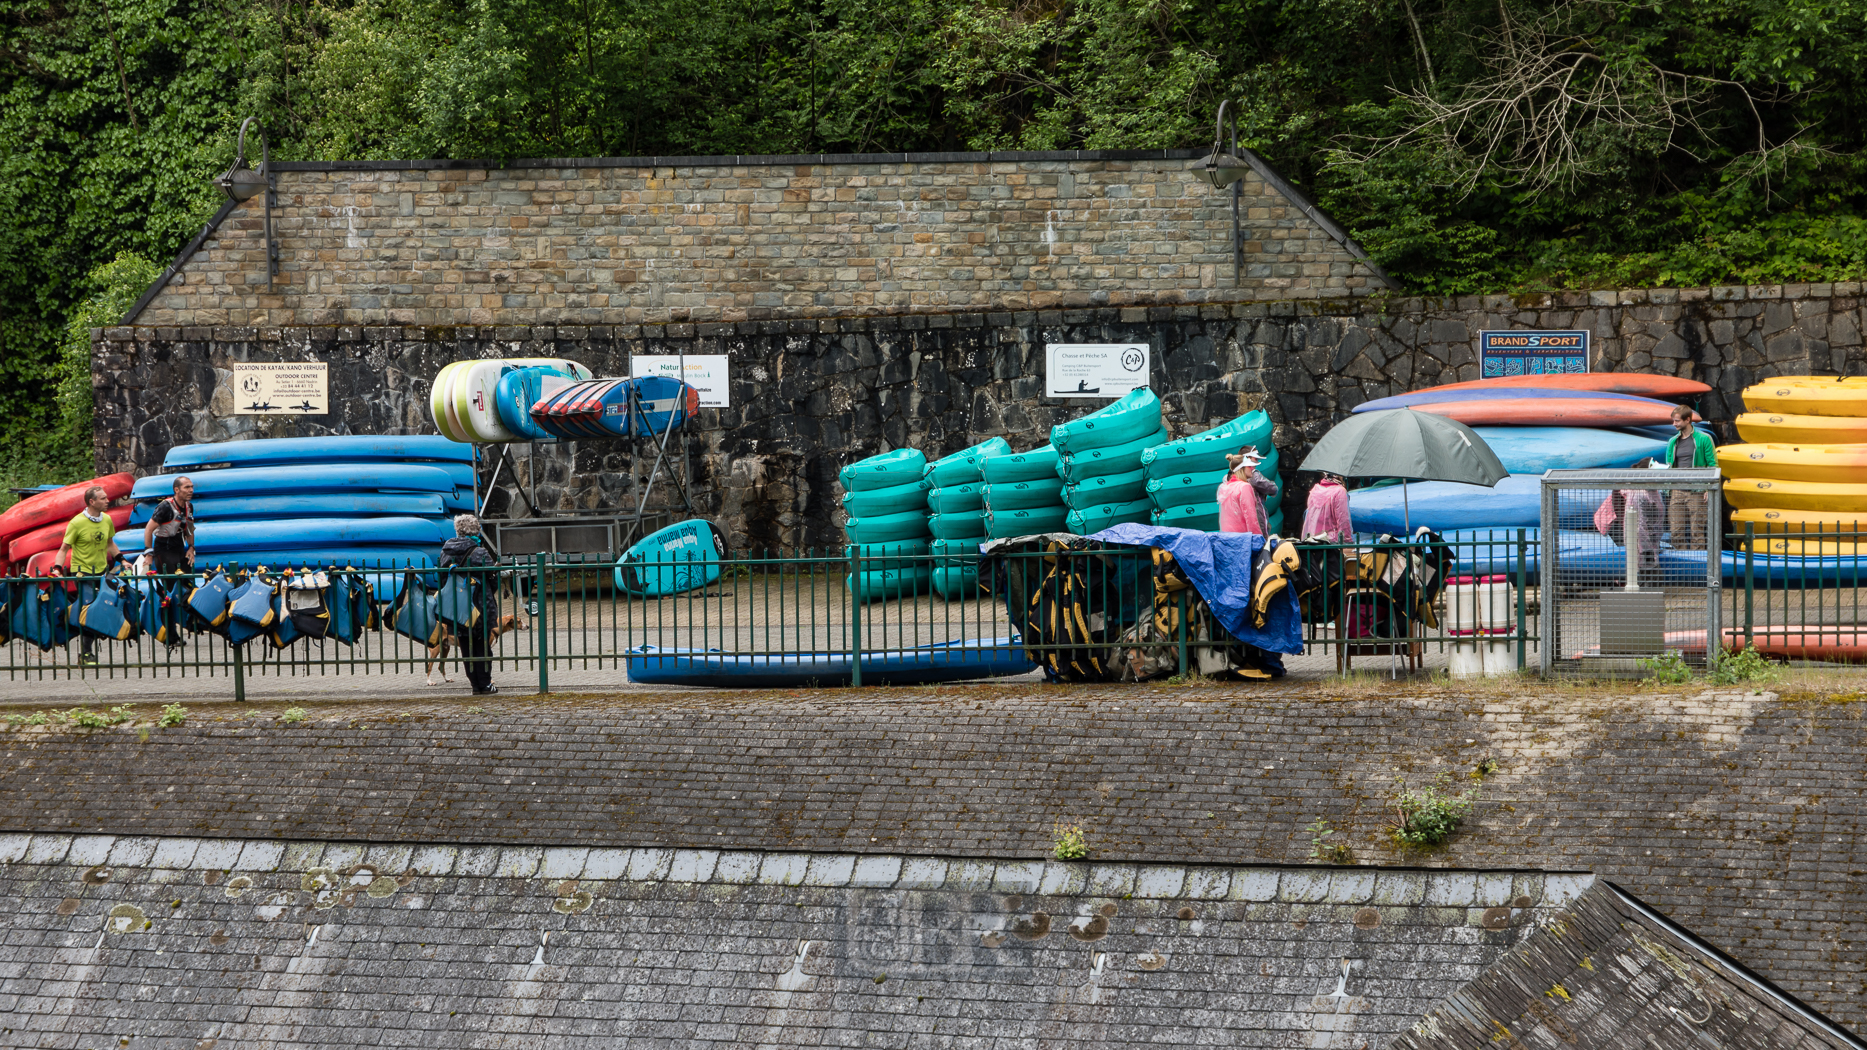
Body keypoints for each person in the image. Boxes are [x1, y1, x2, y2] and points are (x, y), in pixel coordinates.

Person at [56, 485, 122, 667]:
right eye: (103, 498)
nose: (107, 501)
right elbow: (64, 549)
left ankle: (89, 644)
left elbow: (110, 544)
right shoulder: (77, 523)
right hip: (83, 573)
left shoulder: (107, 519)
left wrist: (122, 560)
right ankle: (86, 653)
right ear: (91, 502)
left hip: (101, 572)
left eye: (107, 497)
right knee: (89, 611)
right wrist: (56, 568)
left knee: (101, 609)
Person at [439, 513, 499, 695]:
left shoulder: (445, 551)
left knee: (466, 649)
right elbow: (493, 579)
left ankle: (475, 685)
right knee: (482, 648)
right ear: (476, 531)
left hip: (456, 609)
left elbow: (442, 579)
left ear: (458, 530)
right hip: (479, 608)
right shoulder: (479, 552)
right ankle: (486, 684)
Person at [1664, 404, 1715, 550]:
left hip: (1697, 491)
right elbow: (1669, 466)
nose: (1674, 424)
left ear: (1687, 420)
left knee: (1697, 532)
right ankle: (1683, 567)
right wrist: (1669, 489)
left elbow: (1712, 465)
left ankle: (1698, 568)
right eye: (1673, 421)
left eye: (1677, 421)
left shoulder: (1704, 439)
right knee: (1676, 532)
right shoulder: (1672, 442)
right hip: (1677, 491)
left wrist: (1708, 488)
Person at [1218, 447, 1278, 538]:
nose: (1252, 468)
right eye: (1249, 466)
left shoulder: (1224, 487)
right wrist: (1258, 539)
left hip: (1227, 539)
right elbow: (1251, 518)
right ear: (1242, 469)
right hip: (1243, 540)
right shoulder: (1245, 487)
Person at [142, 476, 196, 575]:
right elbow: (148, 529)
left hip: (179, 547)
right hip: (164, 549)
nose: (191, 490)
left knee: (188, 582)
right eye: (187, 487)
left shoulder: (189, 506)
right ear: (177, 490)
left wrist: (191, 548)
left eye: (192, 487)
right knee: (171, 585)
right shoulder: (165, 507)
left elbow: (190, 529)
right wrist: (149, 554)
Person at [1301, 472, 1352, 542]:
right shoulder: (1340, 492)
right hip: (1332, 543)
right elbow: (1343, 521)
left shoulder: (1315, 490)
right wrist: (1347, 541)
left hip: (1313, 541)